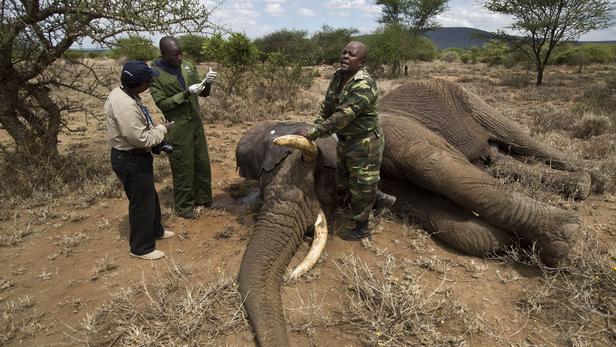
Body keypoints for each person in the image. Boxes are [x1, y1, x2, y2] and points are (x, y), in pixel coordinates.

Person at [298, 41, 396, 241]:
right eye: (344, 52)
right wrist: (315, 125)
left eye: (351, 55)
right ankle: (380, 198)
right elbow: (327, 107)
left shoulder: (364, 83)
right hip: (344, 140)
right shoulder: (338, 76)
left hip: (364, 143)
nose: (345, 56)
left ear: (361, 62)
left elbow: (343, 116)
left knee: (361, 185)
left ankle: (362, 228)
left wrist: (314, 132)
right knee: (344, 181)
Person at [105, 60, 175, 260]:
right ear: (139, 84)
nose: (150, 84)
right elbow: (140, 139)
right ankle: (141, 248)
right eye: (148, 81)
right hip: (130, 158)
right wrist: (162, 129)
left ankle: (155, 231)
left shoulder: (126, 94)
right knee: (141, 203)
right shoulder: (125, 105)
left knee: (148, 196)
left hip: (134, 157)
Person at [150, 36, 218, 219]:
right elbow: (162, 103)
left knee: (202, 162)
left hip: (196, 123)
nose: (179, 57)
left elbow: (204, 93)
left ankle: (203, 198)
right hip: (178, 126)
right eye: (174, 55)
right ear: (163, 54)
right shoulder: (155, 74)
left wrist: (208, 82)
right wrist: (186, 93)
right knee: (183, 166)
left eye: (180, 53)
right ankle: (184, 206)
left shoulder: (187, 66)